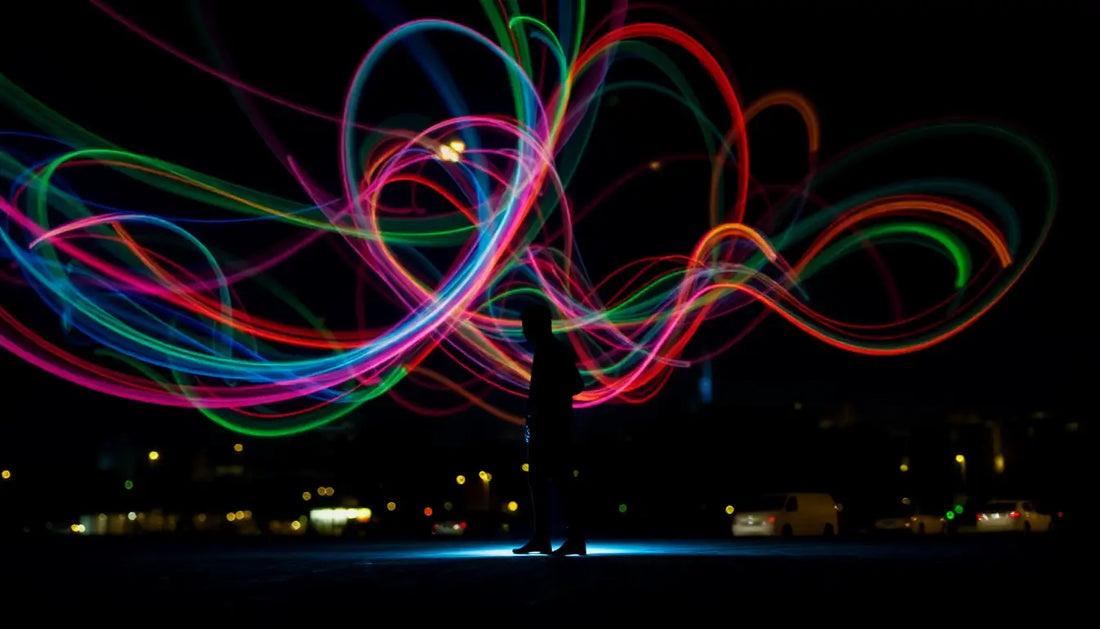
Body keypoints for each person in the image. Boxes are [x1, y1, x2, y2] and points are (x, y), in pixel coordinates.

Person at [512, 301, 586, 556]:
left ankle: (572, 539)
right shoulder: (546, 350)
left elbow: (576, 385)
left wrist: (547, 406)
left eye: (526, 326)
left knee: (560, 481)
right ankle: (544, 538)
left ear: (538, 325)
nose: (523, 332)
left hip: (553, 428)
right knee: (541, 481)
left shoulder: (553, 351)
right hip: (546, 426)